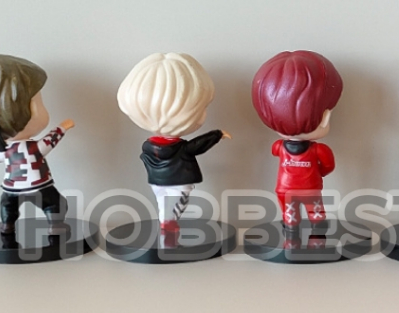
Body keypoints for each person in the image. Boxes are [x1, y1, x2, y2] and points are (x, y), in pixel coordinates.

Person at [0, 55, 75, 239]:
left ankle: (7, 225)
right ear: (30, 110)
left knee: (7, 206)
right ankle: (55, 224)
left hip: (11, 188)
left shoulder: (5, 151)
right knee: (54, 204)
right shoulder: (32, 148)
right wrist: (62, 127)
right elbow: (49, 142)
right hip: (39, 185)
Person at [116, 52, 229, 232]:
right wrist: (217, 134)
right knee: (173, 208)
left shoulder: (148, 146)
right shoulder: (180, 148)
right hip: (179, 182)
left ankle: (166, 226)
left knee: (163, 204)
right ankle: (168, 230)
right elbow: (197, 146)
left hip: (156, 180)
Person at [250, 50, 343, 230]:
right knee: (315, 213)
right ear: (326, 117)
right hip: (310, 188)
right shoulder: (319, 150)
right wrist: (316, 173)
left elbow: (274, 152)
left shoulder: (278, 146)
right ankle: (317, 232)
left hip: (284, 188)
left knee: (289, 215)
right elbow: (328, 166)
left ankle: (291, 231)